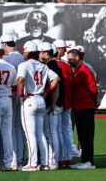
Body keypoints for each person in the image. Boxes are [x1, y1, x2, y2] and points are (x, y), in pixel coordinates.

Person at [17, 41, 60, 171]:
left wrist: (21, 94)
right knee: (40, 133)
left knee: (30, 135)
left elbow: (21, 79)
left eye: (24, 50)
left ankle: (33, 164)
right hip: (40, 98)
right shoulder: (43, 66)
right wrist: (46, 92)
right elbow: (56, 79)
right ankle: (45, 163)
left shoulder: (23, 64)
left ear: (28, 53)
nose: (23, 52)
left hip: (29, 99)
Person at [67, 49, 98, 170]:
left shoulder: (84, 70)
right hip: (80, 107)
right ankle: (84, 160)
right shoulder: (78, 71)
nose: (68, 61)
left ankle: (89, 162)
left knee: (86, 136)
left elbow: (93, 89)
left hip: (86, 107)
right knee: (82, 135)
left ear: (77, 58)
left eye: (70, 59)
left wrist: (93, 102)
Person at [0, 42, 17, 171]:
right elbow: (14, 88)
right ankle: (8, 163)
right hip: (7, 98)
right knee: (7, 133)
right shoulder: (10, 66)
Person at [1, 34, 26, 170]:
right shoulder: (21, 57)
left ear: (5, 44)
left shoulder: (8, 60)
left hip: (10, 93)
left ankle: (14, 159)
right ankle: (21, 158)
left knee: (10, 129)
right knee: (18, 127)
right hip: (21, 94)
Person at [38, 42, 64, 170]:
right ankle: (55, 159)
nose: (39, 54)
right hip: (55, 103)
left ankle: (53, 161)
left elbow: (56, 87)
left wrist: (52, 103)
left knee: (50, 132)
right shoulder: (52, 64)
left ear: (46, 53)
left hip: (53, 104)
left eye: (41, 52)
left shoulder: (52, 65)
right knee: (52, 132)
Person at [52, 40, 74, 167]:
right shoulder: (66, 66)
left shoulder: (51, 65)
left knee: (57, 130)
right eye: (62, 48)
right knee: (66, 130)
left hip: (57, 102)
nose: (64, 50)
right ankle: (68, 158)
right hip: (67, 101)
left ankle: (60, 158)